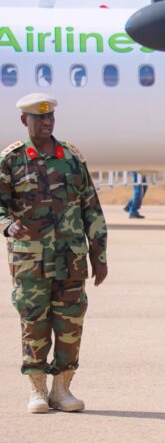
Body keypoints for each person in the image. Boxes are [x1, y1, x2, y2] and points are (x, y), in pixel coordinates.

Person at [0, 93, 107, 414]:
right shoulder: (12, 160)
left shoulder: (72, 158)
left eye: (50, 118)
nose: (46, 123)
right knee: (34, 323)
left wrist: (98, 256)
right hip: (29, 261)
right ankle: (37, 390)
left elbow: (91, 208)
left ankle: (62, 389)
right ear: (25, 121)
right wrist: (7, 224)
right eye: (39, 118)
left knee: (69, 324)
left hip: (71, 261)